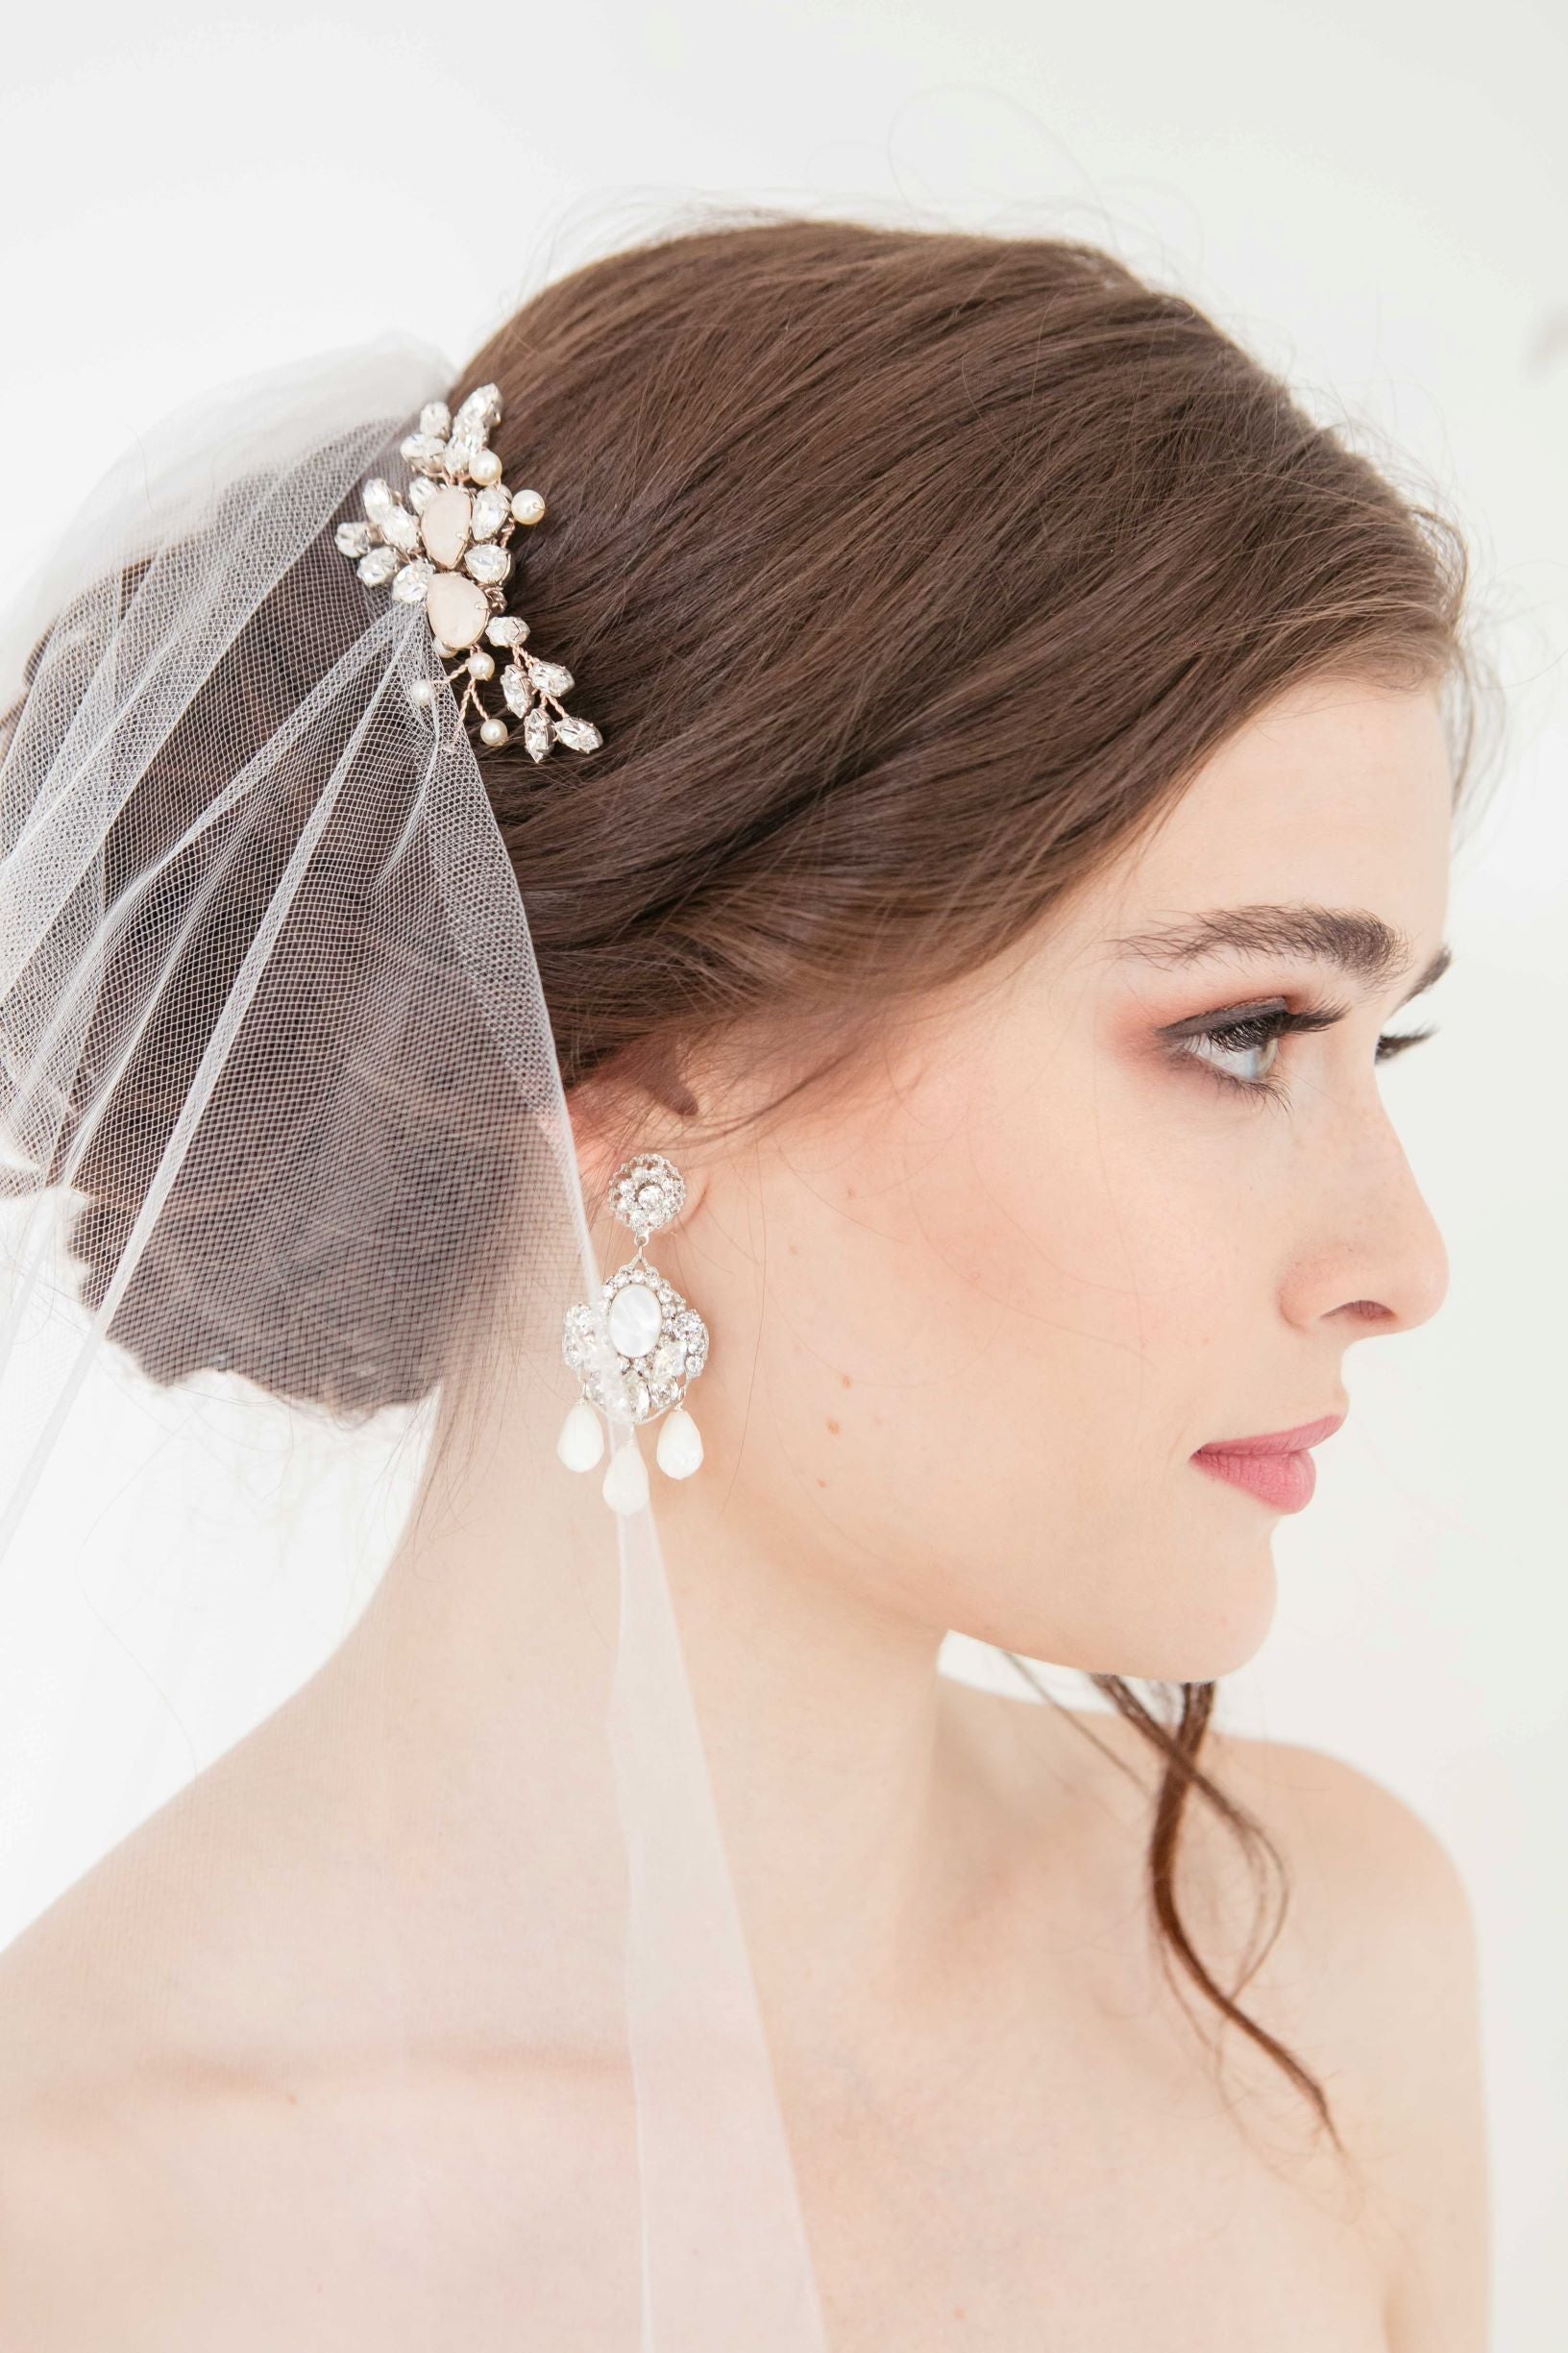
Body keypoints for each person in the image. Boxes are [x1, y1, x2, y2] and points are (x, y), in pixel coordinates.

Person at [0, 214, 1489, 2349]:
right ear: (639, 1066)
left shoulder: (1318, 1968)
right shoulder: (80, 2232)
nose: (1402, 1262)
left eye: (1383, 1042)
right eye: (1242, 1029)